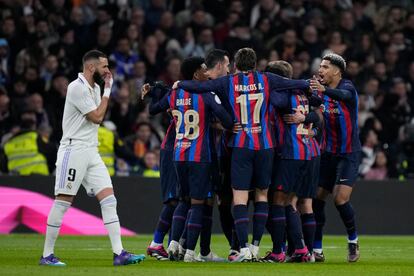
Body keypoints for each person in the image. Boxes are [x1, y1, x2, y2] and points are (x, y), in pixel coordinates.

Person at [174, 48, 310, 262]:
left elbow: (202, 87)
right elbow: (296, 83)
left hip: (240, 145)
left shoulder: (227, 81)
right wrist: (313, 86)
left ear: (236, 65)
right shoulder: (267, 78)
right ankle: (256, 246)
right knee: (263, 195)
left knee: (239, 197)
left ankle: (243, 248)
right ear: (255, 64)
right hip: (265, 146)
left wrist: (180, 84)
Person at [39, 50, 144, 266]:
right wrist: (108, 91)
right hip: (73, 149)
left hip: (91, 151)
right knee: (63, 201)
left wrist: (103, 90)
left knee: (109, 199)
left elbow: (98, 115)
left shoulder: (94, 87)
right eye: (104, 67)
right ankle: (47, 255)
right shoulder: (76, 87)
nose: (107, 71)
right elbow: (96, 117)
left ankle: (119, 253)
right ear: (91, 67)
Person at [151, 56, 234, 262]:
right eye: (204, 69)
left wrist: (155, 92)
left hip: (179, 154)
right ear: (196, 73)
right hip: (200, 155)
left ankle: (173, 244)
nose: (207, 73)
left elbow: (153, 109)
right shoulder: (206, 94)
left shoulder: (175, 93)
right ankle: (189, 253)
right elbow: (227, 120)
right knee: (198, 203)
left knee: (183, 200)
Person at [261, 60, 321, 263]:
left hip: (290, 153)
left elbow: (274, 101)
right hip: (306, 153)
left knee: (278, 201)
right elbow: (318, 113)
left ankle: (279, 251)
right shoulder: (304, 95)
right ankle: (303, 250)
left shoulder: (283, 96)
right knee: (290, 203)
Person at [310, 53, 362, 263]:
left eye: (325, 67)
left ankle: (352, 240)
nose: (320, 70)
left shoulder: (347, 87)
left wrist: (324, 91)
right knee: (317, 200)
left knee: (340, 199)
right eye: (320, 66)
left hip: (348, 153)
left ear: (337, 71)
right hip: (327, 153)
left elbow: (345, 96)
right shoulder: (320, 91)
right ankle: (317, 249)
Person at [1, 109, 55, 175]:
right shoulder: (35, 137)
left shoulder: (9, 143)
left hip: (15, 182)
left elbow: (3, 167)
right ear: (34, 126)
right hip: (40, 180)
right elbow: (52, 154)